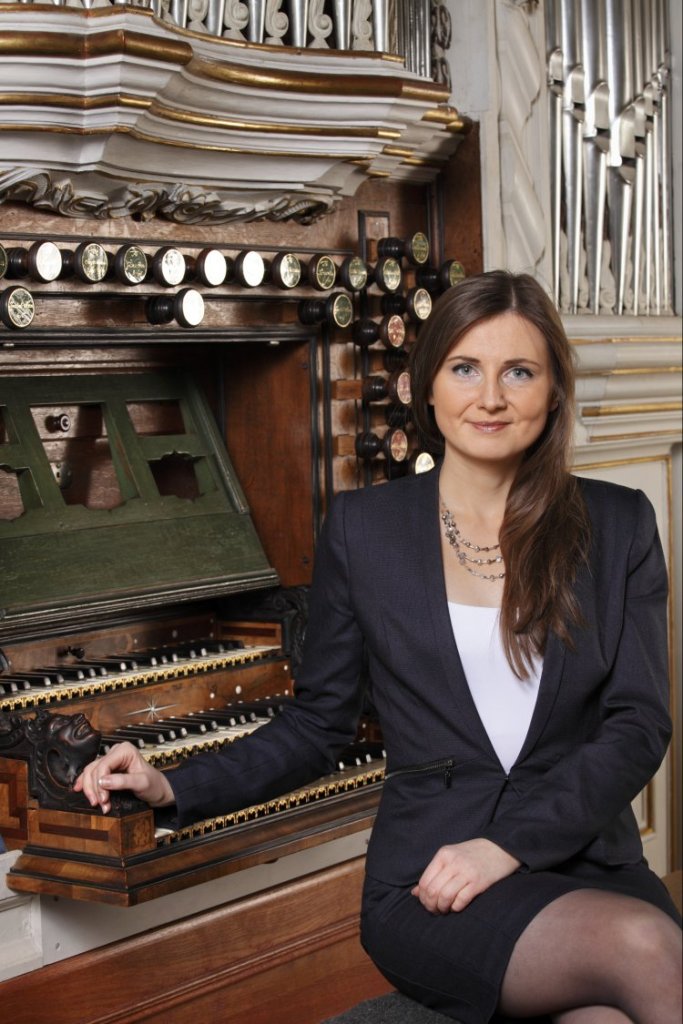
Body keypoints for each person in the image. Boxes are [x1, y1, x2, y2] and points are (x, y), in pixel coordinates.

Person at [76, 270, 682, 1024]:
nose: (490, 397)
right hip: (434, 878)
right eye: (465, 369)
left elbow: (638, 725)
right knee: (646, 948)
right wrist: (172, 786)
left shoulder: (618, 524)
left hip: (586, 860)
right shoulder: (363, 529)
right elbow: (318, 724)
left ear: (554, 390)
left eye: (519, 372)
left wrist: (506, 846)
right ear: (427, 385)